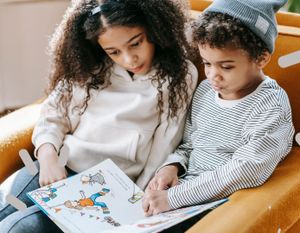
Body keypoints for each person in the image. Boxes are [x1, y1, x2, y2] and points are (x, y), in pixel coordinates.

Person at [0, 0, 197, 232]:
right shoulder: (90, 67)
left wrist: (137, 199)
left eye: (136, 43)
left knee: (17, 228)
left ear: (154, 28)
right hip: (59, 167)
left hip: (107, 187)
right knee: (5, 209)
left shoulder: (179, 75)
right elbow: (53, 115)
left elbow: (166, 142)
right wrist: (48, 157)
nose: (129, 59)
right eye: (114, 52)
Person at [142, 0, 294, 230]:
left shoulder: (270, 105)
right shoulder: (205, 91)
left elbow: (247, 170)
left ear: (261, 58)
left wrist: (174, 199)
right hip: (180, 196)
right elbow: (190, 144)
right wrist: (172, 167)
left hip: (216, 206)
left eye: (226, 66)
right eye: (207, 63)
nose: (213, 75)